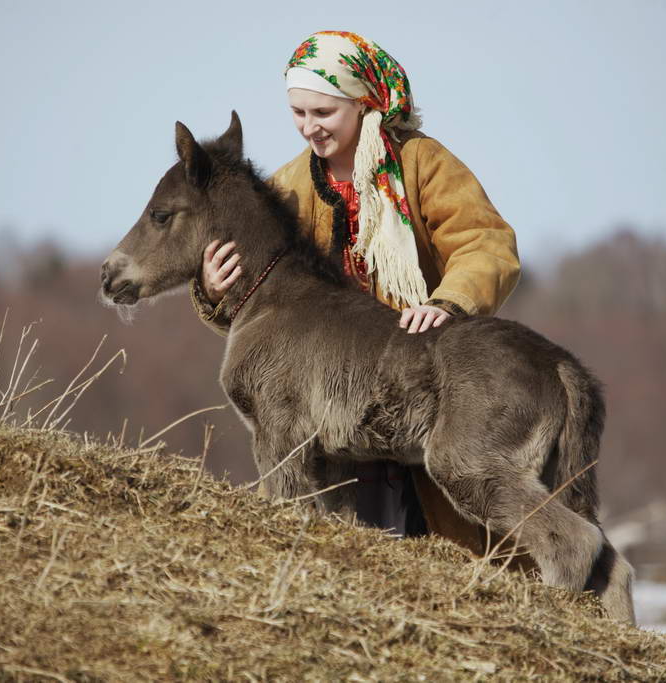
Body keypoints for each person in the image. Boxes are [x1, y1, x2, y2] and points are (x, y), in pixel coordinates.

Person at [189, 31, 520, 551]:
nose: (308, 127)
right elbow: (262, 303)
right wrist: (213, 291)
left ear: (363, 102)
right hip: (338, 393)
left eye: (323, 112)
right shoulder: (289, 188)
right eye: (297, 112)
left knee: (460, 537)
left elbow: (486, 244)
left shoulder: (422, 163)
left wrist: (447, 303)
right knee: (352, 549)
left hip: (426, 377)